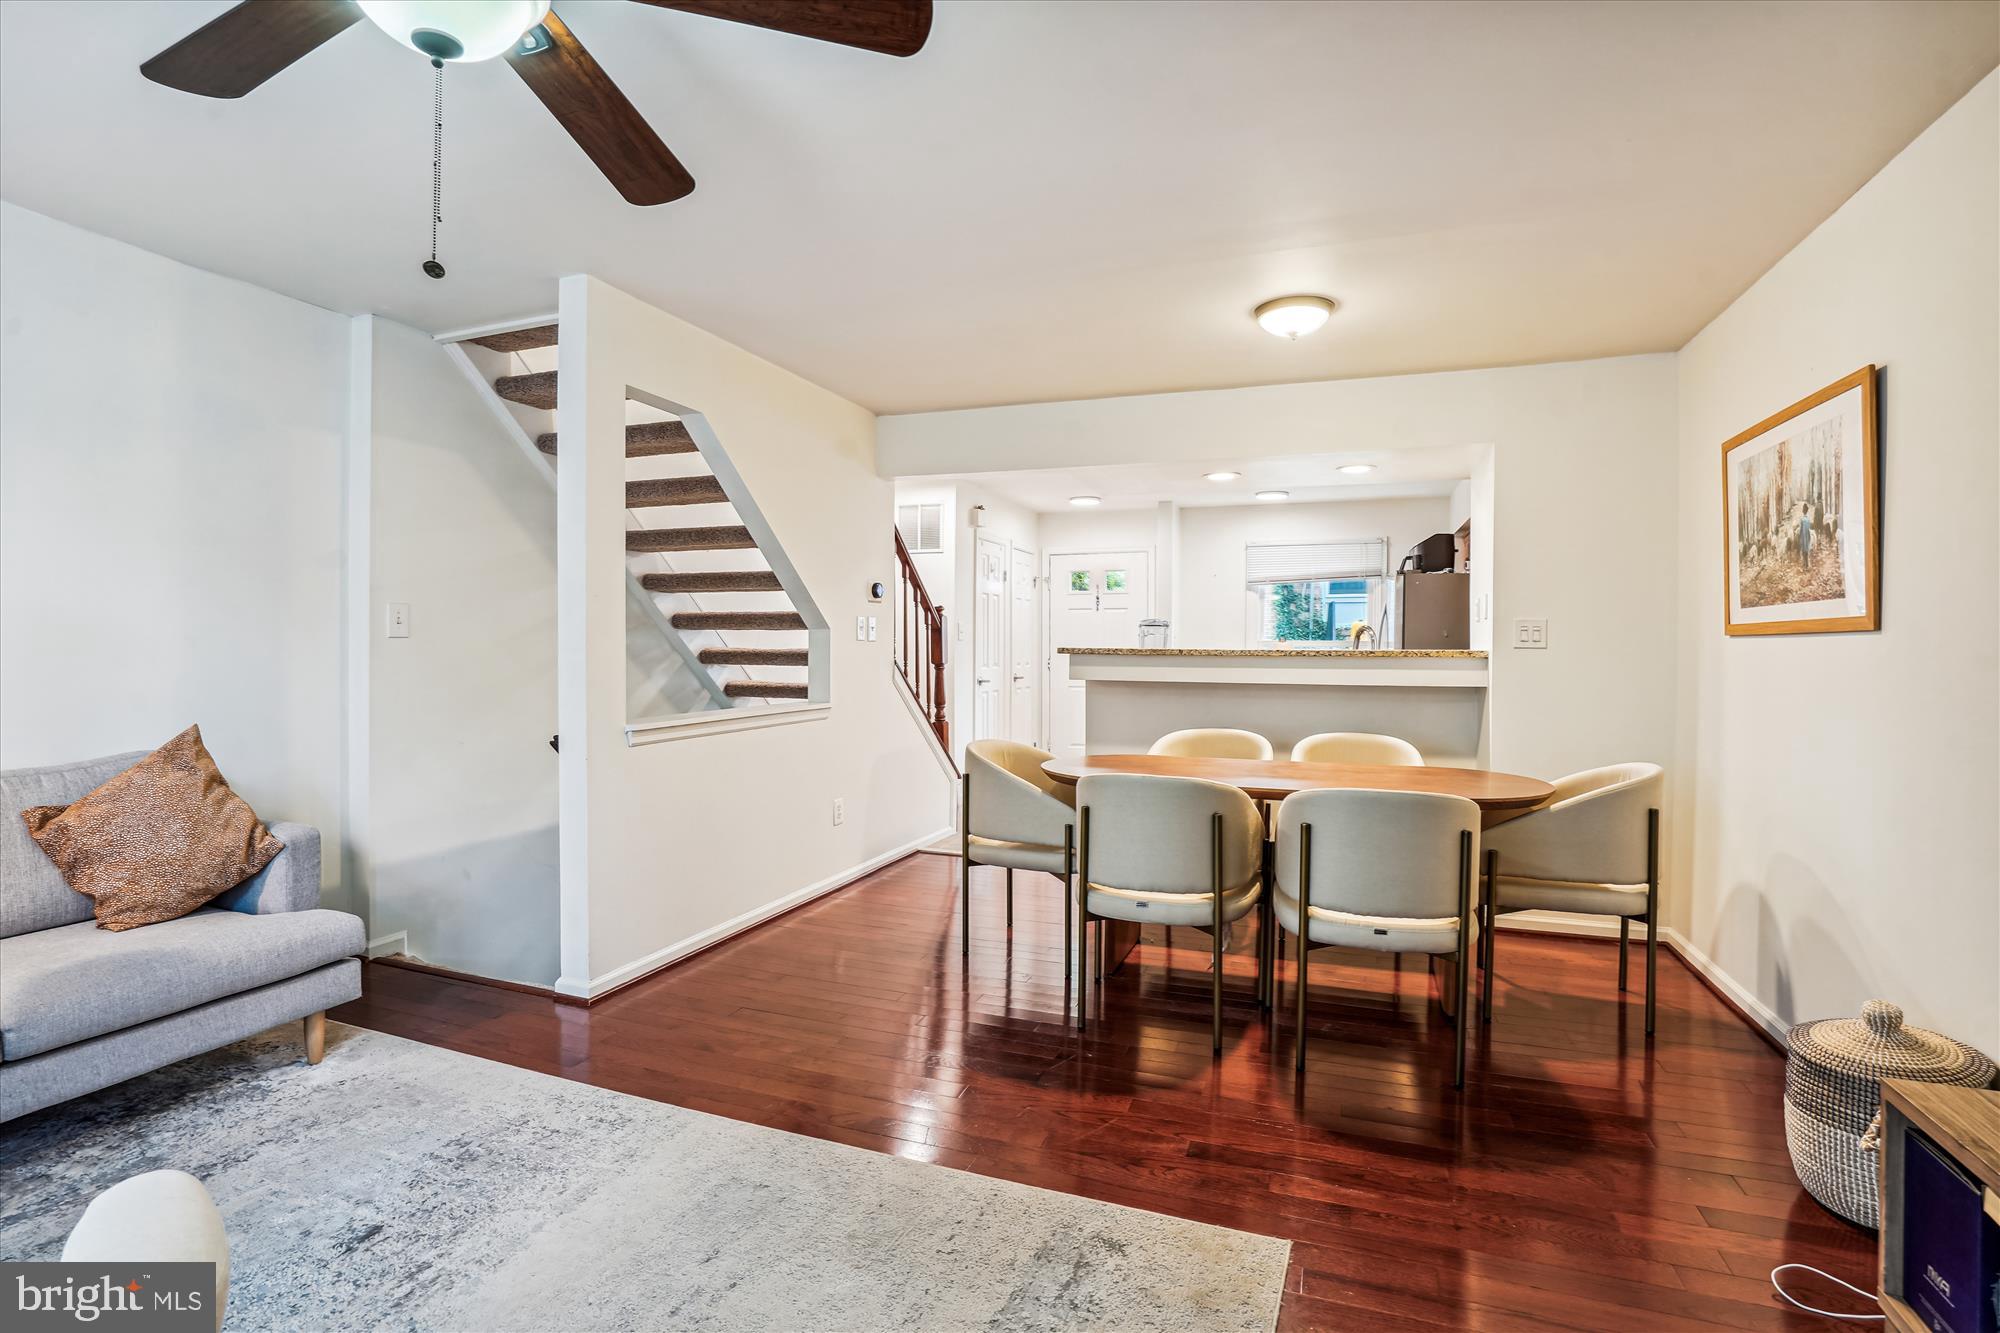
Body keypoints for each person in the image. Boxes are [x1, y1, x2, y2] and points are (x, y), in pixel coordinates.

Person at [1794, 499, 1814, 570]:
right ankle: (1807, 564)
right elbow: (1809, 528)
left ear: (1803, 511)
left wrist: (1800, 537)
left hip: (1803, 536)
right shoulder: (1808, 519)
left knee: (1803, 550)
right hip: (1808, 535)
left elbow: (1801, 529)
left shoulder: (1802, 519)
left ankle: (1805, 565)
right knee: (1807, 550)